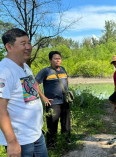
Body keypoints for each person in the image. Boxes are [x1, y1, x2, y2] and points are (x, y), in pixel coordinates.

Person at [0, 28, 48, 156]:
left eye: (29, 43)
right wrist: (11, 142)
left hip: (36, 134)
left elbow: (31, 96)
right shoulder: (4, 71)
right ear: (9, 47)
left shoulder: (25, 67)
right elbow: (1, 109)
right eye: (23, 43)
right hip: (20, 140)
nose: (29, 47)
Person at [35, 51, 71, 148]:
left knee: (66, 123)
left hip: (65, 101)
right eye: (55, 58)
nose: (58, 60)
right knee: (52, 124)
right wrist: (43, 97)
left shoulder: (63, 69)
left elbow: (66, 80)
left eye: (59, 58)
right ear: (50, 60)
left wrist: (66, 92)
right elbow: (35, 83)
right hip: (53, 103)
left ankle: (66, 141)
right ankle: (51, 145)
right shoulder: (46, 71)